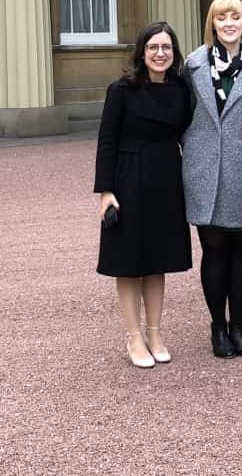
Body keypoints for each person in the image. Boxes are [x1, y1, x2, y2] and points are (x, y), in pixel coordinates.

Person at [182, 0, 242, 359]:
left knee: (241, 251)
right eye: (221, 18)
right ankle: (217, 327)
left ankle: (238, 325)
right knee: (213, 251)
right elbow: (180, 114)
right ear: (212, 23)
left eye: (234, 17)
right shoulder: (192, 64)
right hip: (203, 170)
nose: (228, 24)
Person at [94, 21, 193, 368]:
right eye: (153, 47)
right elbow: (106, 141)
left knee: (158, 260)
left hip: (166, 177)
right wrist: (105, 191)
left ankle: (155, 332)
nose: (160, 54)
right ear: (142, 52)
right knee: (129, 262)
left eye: (166, 47)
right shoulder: (121, 90)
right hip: (128, 177)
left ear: (174, 53)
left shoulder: (182, 88)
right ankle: (133, 336)